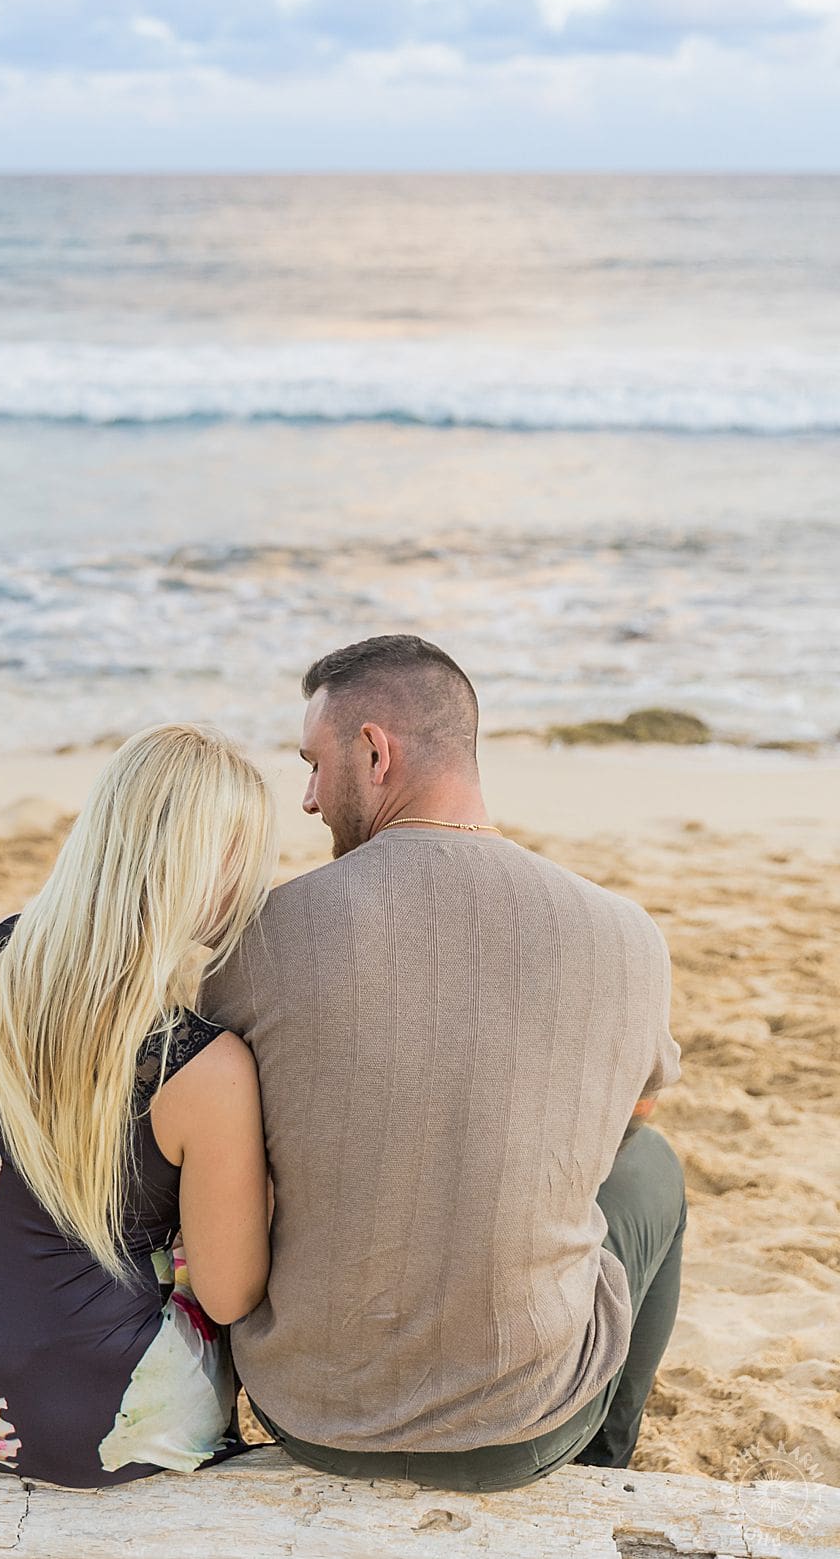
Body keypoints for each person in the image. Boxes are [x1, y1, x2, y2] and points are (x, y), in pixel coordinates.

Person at [201, 634, 685, 1491]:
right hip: (526, 1427)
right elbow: (628, 1123)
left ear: (375, 750)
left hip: (310, 1412)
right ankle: (608, 1462)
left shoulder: (261, 936)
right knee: (651, 1167)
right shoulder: (626, 936)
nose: (308, 799)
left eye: (313, 765)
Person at [0, 723, 277, 1488]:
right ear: (211, 863)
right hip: (101, 1420)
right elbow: (231, 1297)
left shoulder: (2, 952)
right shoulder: (206, 1066)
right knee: (206, 1250)